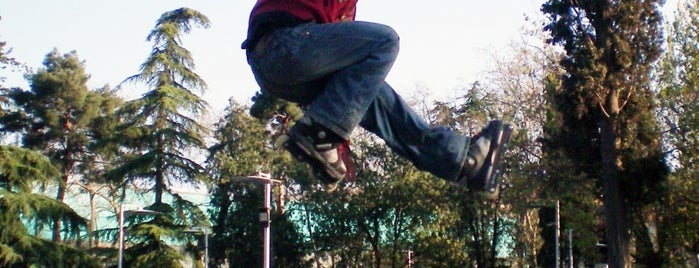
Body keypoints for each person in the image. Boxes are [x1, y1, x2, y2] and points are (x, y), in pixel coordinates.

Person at [242, 0, 514, 194]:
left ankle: (462, 161)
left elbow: (345, 95)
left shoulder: (344, 11)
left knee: (376, 95)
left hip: (283, 66)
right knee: (384, 41)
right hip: (282, 43)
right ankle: (319, 136)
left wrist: (338, 145)